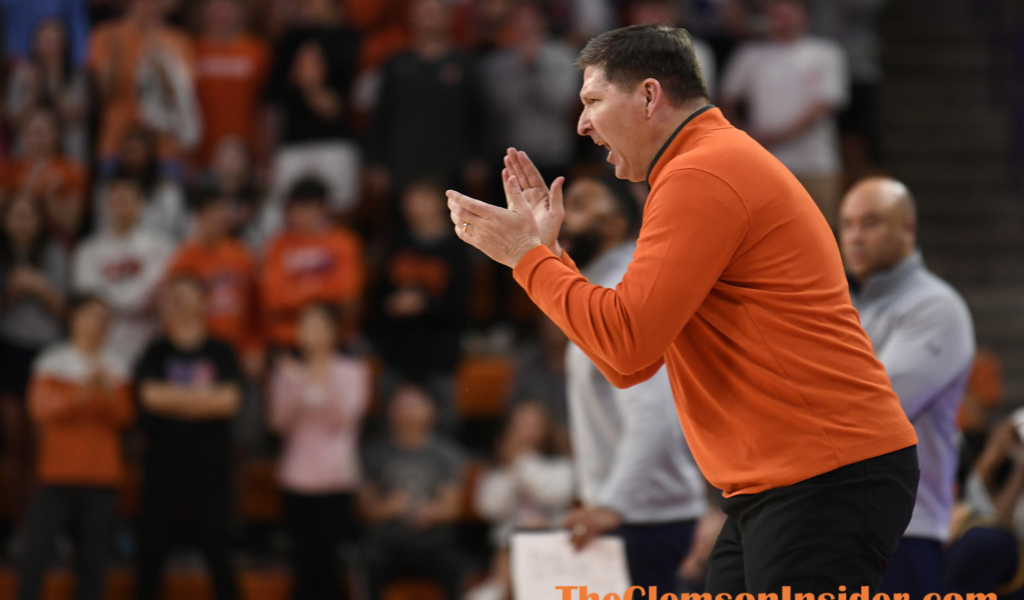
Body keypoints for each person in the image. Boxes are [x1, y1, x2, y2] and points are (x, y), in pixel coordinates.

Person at [446, 23, 919, 593]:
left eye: (593, 101)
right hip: (788, 478)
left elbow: (627, 345)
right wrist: (545, 256)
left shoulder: (701, 173)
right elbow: (628, 364)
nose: (581, 124)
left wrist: (527, 260)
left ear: (649, 96)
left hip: (824, 471)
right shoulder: (702, 164)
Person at [557, 175, 707, 592]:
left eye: (581, 204)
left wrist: (613, 504)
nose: (564, 216)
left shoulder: (624, 292)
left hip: (646, 518)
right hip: (632, 513)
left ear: (616, 224)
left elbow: (654, 416)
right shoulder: (596, 288)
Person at [839, 178, 976, 600]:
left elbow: (873, 409)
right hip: (836, 525)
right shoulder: (844, 305)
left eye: (871, 223)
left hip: (906, 533)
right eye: (847, 224)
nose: (855, 236)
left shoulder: (937, 307)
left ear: (908, 228)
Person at [133, 275, 243, 600]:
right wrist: (204, 399)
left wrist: (174, 399)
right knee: (151, 551)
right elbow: (150, 398)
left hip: (211, 467)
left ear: (203, 302)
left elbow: (228, 402)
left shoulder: (221, 351)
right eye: (173, 296)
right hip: (162, 465)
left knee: (218, 550)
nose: (178, 302)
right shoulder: (155, 351)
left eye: (185, 294)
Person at [19, 295, 134, 600]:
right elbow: (41, 408)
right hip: (56, 474)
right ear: (74, 319)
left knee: (93, 566)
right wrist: (82, 396)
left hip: (101, 476)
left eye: (103, 318)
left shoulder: (117, 364)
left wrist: (104, 392)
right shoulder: (52, 360)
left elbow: (125, 415)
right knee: (34, 556)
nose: (97, 324)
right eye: (90, 316)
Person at [268, 303, 371, 600]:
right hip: (297, 476)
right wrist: (297, 382)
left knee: (330, 563)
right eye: (304, 327)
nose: (309, 333)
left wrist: (315, 379)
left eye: (316, 326)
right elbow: (278, 421)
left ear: (333, 332)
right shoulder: (287, 371)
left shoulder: (352, 370)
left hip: (336, 477)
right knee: (302, 563)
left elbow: (346, 417)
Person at [720, 0, 848, 228]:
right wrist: (742, 135)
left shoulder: (826, 53)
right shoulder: (750, 54)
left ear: (804, 15)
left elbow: (823, 106)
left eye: (789, 11)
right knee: (765, 233)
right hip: (764, 163)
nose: (782, 18)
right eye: (776, 12)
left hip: (816, 163)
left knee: (821, 231)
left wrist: (775, 136)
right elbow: (726, 99)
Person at [371, 178, 471, 429]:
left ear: (439, 201)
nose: (415, 205)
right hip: (397, 355)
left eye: (422, 197)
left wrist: (425, 305)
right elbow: (376, 296)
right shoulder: (395, 244)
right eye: (410, 198)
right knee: (391, 429)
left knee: (444, 428)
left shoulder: (458, 248)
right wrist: (392, 304)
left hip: (440, 357)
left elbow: (462, 302)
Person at [366, 0, 487, 201]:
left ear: (449, 18)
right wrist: (375, 162)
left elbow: (480, 116)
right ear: (412, 18)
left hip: (452, 165)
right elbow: (380, 117)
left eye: (434, 13)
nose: (429, 19)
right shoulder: (395, 64)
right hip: (403, 163)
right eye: (423, 13)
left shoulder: (466, 64)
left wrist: (479, 159)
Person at [360, 383, 465, 600]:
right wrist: (389, 508)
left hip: (433, 543)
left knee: (455, 565)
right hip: (388, 544)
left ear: (431, 411)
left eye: (414, 406)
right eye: (402, 406)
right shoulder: (374, 453)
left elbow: (452, 507)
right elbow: (364, 508)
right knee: (369, 563)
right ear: (390, 411)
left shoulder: (446, 454)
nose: (408, 413)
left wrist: (431, 512)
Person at [0, 194, 69, 517]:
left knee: (42, 445)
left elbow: (69, 314)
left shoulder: (55, 254)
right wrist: (10, 293)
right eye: (16, 215)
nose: (22, 222)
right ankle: (18, 522)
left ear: (41, 221)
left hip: (47, 353)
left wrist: (40, 287)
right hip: (7, 350)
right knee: (15, 445)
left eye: (28, 215)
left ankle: (44, 525)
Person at [468, 401, 574, 600]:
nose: (525, 433)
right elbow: (488, 509)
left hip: (553, 541)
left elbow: (557, 495)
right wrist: (511, 470)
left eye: (532, 426)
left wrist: (523, 461)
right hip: (507, 547)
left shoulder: (561, 466)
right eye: (520, 426)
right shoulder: (501, 469)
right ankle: (499, 588)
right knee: (513, 538)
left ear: (546, 429)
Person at [266, 0, 362, 216]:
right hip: (292, 144)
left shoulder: (350, 39)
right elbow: (272, 100)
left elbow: (337, 109)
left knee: (339, 212)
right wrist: (268, 151)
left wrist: (311, 84)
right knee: (285, 214)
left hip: (336, 143)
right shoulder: (290, 40)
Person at [73, 173, 175, 366]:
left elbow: (151, 294)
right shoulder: (88, 250)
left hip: (147, 339)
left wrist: (115, 303)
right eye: (116, 201)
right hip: (102, 341)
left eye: (127, 201)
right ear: (106, 205)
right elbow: (88, 297)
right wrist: (126, 304)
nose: (121, 207)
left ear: (141, 203)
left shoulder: (161, 247)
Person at [87, 0, 200, 165]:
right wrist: (117, 52)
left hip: (165, 146)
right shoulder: (107, 34)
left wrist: (162, 66)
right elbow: (104, 93)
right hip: (117, 143)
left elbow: (184, 98)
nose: (151, 5)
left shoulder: (179, 40)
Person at [166, 186, 262, 378]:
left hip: (240, 351)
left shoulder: (241, 254)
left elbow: (256, 307)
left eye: (222, 211)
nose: (219, 217)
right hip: (201, 354)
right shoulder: (183, 259)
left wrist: (255, 346)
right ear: (197, 215)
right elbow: (173, 311)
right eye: (212, 211)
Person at [480, 1, 579, 183]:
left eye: (530, 19)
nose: (525, 25)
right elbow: (502, 108)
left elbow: (561, 103)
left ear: (543, 21)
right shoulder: (496, 62)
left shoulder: (563, 56)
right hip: (510, 154)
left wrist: (535, 68)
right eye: (519, 19)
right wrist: (521, 68)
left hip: (554, 152)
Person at [261, 177, 364, 349]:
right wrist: (323, 293)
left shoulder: (344, 242)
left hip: (337, 338)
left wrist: (297, 292)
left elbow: (348, 297)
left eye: (307, 208)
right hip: (288, 340)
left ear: (323, 208)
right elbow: (273, 299)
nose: (299, 216)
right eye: (294, 209)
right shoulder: (278, 246)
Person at [193, 0, 271, 169]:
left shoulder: (258, 52)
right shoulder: (191, 50)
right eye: (215, 6)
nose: (220, 12)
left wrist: (265, 153)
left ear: (239, 11)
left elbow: (266, 108)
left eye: (227, 6)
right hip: (200, 151)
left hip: (247, 151)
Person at [5, 17, 90, 162]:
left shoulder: (77, 76)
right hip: (28, 144)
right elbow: (14, 120)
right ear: (35, 44)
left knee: (76, 136)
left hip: (68, 143)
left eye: (56, 42)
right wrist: (34, 90)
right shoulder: (22, 75)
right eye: (46, 41)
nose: (51, 47)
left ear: (65, 44)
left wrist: (56, 83)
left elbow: (75, 115)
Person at [0, 107, 88, 244]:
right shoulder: (9, 169)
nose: (38, 139)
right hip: (11, 244)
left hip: (54, 242)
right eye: (33, 132)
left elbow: (71, 226)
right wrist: (24, 192)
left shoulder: (72, 171)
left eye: (43, 132)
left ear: (56, 134)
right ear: (23, 136)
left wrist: (50, 198)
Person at [95, 128, 189, 240]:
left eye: (138, 151)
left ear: (150, 154)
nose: (133, 157)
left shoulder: (167, 191)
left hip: (159, 245)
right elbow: (101, 227)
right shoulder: (107, 189)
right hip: (115, 244)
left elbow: (175, 230)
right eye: (128, 151)